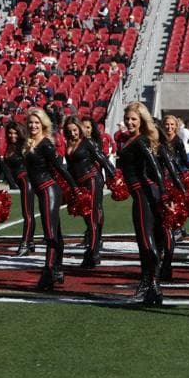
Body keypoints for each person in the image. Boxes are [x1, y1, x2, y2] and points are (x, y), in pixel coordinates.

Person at [117, 102, 166, 305]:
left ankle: (153, 285)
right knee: (144, 241)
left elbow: (155, 168)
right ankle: (147, 283)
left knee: (147, 241)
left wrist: (164, 196)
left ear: (142, 120)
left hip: (144, 193)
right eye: (128, 118)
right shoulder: (133, 140)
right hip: (142, 193)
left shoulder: (141, 141)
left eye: (134, 119)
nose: (129, 122)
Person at [25, 107, 77, 291]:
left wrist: (74, 187)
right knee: (55, 231)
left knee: (50, 234)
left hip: (49, 190)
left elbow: (61, 168)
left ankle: (48, 273)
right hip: (42, 191)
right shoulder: (29, 142)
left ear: (43, 124)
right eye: (30, 122)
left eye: (36, 122)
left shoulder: (46, 144)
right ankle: (57, 269)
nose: (33, 125)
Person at [64, 115, 115, 268]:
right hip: (80, 183)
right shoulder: (69, 144)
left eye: (75, 130)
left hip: (92, 179)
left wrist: (114, 176)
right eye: (70, 131)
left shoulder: (88, 142)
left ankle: (93, 252)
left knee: (92, 215)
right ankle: (95, 246)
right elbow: (70, 167)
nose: (73, 133)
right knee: (87, 216)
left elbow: (103, 159)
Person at [156, 115, 187, 281]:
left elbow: (182, 162)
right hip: (154, 188)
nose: (168, 127)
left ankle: (166, 264)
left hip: (169, 184)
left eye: (171, 125)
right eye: (166, 125)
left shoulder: (175, 143)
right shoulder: (150, 144)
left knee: (166, 225)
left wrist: (188, 177)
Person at [1, 120, 36, 256]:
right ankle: (31, 241)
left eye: (15, 132)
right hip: (20, 182)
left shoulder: (23, 145)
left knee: (27, 214)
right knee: (28, 213)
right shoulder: (10, 146)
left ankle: (25, 244)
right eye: (10, 133)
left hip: (26, 181)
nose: (12, 135)